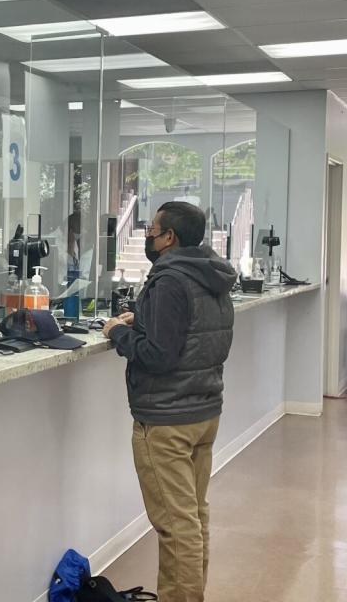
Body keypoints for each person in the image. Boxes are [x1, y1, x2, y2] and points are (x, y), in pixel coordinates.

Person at [102, 202, 236, 602]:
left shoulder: (169, 281)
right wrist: (140, 318)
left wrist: (116, 333)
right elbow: (190, 330)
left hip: (166, 420)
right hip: (204, 411)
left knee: (176, 526)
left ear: (169, 237)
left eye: (151, 229)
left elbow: (159, 355)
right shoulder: (209, 274)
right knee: (193, 517)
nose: (147, 234)